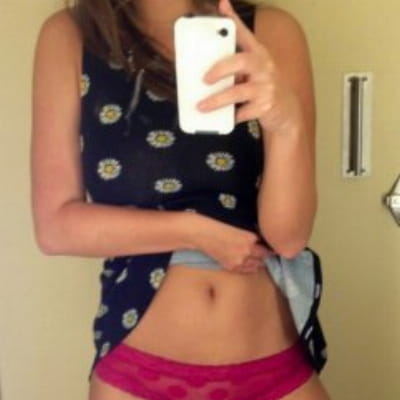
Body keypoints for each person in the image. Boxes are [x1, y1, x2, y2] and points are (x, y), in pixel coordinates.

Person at [31, 0, 331, 398]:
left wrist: (286, 123)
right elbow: (56, 227)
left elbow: (289, 238)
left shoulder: (273, 32)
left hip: (273, 365)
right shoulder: (71, 35)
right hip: (137, 375)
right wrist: (195, 232)